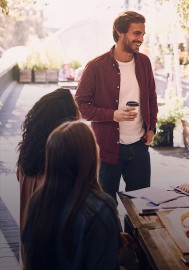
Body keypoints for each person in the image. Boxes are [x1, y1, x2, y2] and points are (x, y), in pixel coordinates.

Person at [75, 11, 158, 202]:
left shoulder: (144, 62)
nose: (141, 39)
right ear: (120, 32)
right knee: (105, 207)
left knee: (142, 205)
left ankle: (133, 234)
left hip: (139, 147)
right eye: (136, 34)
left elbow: (151, 98)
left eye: (143, 34)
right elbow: (81, 105)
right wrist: (113, 115)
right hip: (107, 149)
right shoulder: (95, 66)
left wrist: (152, 127)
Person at [22, 121, 121, 269]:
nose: (99, 147)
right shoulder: (100, 208)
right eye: (95, 143)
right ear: (88, 157)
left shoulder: (37, 200)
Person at [17, 88, 80, 232]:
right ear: (65, 120)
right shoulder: (62, 160)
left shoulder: (27, 154)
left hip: (30, 245)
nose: (79, 112)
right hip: (52, 246)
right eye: (75, 108)